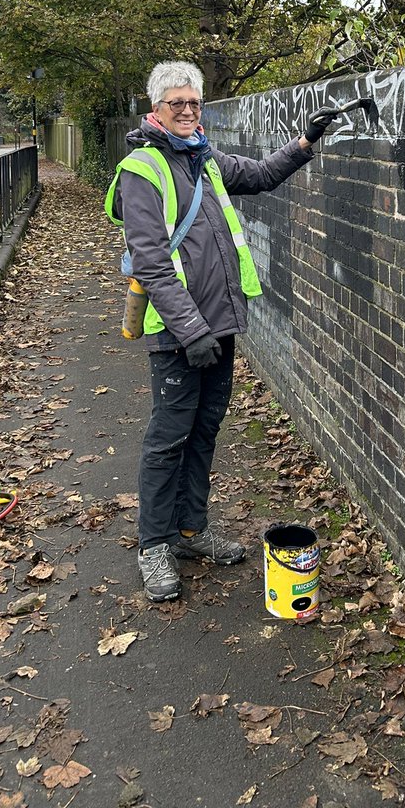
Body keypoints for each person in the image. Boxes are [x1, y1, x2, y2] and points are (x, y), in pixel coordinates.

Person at [106, 60, 341, 601]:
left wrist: (304, 143)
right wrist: (191, 330)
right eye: (176, 104)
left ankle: (190, 530)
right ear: (156, 110)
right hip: (179, 333)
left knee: (205, 431)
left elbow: (257, 176)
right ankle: (155, 545)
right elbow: (150, 262)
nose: (188, 112)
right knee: (168, 440)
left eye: (194, 103)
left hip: (218, 327)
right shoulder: (144, 169)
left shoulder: (204, 160)